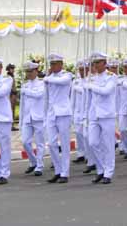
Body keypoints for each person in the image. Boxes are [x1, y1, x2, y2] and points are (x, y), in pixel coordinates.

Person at [85, 51, 118, 184]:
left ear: (104, 63)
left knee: (108, 145)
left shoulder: (111, 76)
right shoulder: (92, 77)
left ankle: (108, 173)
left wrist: (91, 86)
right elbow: (89, 99)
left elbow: (106, 91)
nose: (95, 66)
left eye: (98, 63)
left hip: (107, 114)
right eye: (94, 63)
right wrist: (86, 115)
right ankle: (101, 169)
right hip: (94, 114)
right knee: (92, 142)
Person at [44, 53, 74, 183]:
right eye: (51, 64)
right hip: (51, 113)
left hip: (63, 113)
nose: (53, 66)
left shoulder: (67, 75)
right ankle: (57, 170)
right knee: (51, 143)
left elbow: (62, 82)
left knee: (65, 144)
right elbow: (46, 97)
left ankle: (65, 173)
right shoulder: (49, 78)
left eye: (55, 64)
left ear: (61, 64)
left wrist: (47, 78)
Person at [19, 61, 46, 177]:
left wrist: (26, 92)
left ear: (36, 71)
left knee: (40, 143)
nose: (28, 74)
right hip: (27, 118)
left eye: (31, 71)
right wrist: (21, 120)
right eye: (27, 71)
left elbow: (39, 95)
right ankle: (33, 161)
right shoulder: (25, 85)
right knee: (25, 142)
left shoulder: (42, 84)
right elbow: (22, 106)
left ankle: (39, 166)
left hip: (39, 117)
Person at [6, 64, 19, 131]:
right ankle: (10, 125)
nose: (13, 70)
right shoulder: (8, 77)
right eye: (12, 68)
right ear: (8, 69)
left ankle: (12, 125)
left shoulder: (12, 76)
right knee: (10, 110)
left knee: (13, 110)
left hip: (14, 95)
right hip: (11, 95)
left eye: (13, 68)